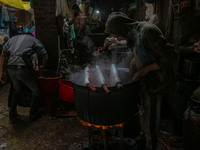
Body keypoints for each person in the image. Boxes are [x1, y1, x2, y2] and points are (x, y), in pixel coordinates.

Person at [105, 12, 177, 149]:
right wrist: (134, 61)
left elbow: (171, 55)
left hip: (157, 82)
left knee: (151, 119)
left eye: (116, 35)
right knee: (144, 115)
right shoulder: (133, 34)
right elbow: (143, 51)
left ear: (121, 28)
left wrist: (147, 69)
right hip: (146, 81)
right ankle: (145, 139)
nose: (118, 39)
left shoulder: (148, 32)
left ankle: (151, 145)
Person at [0, 31, 48, 123]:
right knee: (36, 90)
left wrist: (1, 72)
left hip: (10, 67)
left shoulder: (12, 39)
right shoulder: (34, 40)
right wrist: (42, 66)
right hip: (22, 67)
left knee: (16, 89)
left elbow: (2, 55)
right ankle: (32, 115)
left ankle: (12, 113)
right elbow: (45, 55)